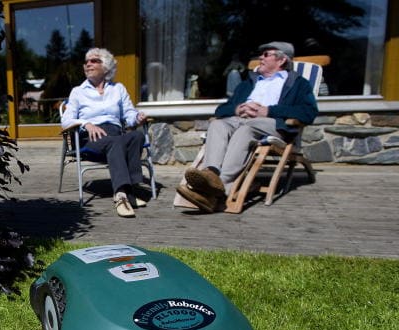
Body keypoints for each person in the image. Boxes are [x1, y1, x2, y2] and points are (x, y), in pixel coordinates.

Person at [177, 41, 319, 213]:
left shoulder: (298, 83)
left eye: (266, 54)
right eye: (261, 54)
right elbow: (221, 110)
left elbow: (308, 112)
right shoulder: (249, 82)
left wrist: (268, 111)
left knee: (248, 128)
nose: (261, 57)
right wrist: (237, 109)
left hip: (272, 123)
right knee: (217, 124)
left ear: (281, 60)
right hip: (240, 119)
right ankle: (211, 173)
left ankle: (222, 185)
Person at [61, 48, 149, 218]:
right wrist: (86, 124)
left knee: (137, 136)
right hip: (90, 138)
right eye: (86, 62)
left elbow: (129, 114)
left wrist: (137, 118)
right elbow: (66, 120)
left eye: (94, 61)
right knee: (115, 142)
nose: (88, 64)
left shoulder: (118, 89)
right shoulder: (78, 91)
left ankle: (129, 190)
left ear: (106, 66)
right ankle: (121, 195)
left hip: (115, 134)